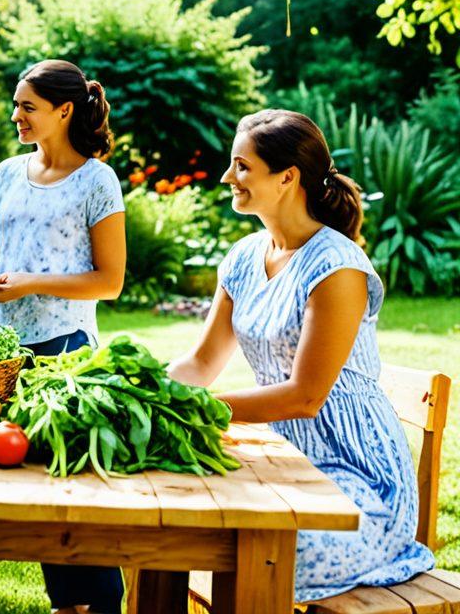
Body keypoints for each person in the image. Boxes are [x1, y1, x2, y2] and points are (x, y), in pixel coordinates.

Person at [166, 109, 434, 602]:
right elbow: (201, 363)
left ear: (287, 177)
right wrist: (143, 391)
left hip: (360, 481)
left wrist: (195, 410)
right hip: (281, 465)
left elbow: (305, 396)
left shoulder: (337, 266)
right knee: (178, 522)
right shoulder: (244, 257)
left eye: (242, 166)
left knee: (264, 553)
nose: (228, 177)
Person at [0, 59, 126, 614]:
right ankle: (64, 601)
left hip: (64, 348)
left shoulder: (97, 181)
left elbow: (110, 281)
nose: (16, 116)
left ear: (64, 110)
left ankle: (98, 601)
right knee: (24, 478)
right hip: (0, 346)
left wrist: (30, 282)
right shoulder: (8, 173)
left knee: (72, 482)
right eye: (16, 104)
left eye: (27, 107)